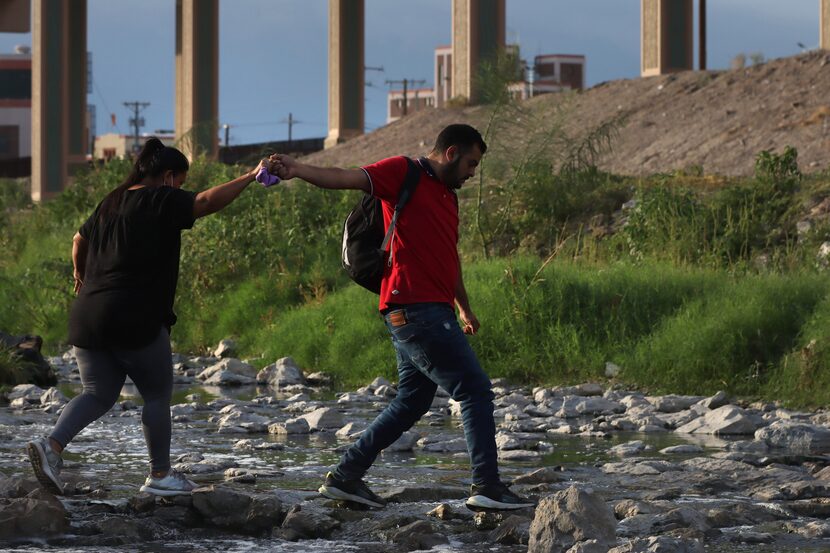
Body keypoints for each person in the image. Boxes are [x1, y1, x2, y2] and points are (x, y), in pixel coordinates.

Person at [271, 124, 534, 511]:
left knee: (413, 399)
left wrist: (464, 306)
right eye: (471, 163)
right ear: (450, 153)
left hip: (427, 310)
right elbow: (345, 178)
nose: (473, 172)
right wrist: (298, 168)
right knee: (475, 391)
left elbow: (449, 258)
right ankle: (488, 487)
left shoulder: (448, 197)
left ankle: (346, 476)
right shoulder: (403, 171)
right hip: (415, 308)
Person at [27, 138, 272, 497]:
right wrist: (250, 176)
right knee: (156, 395)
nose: (182, 190)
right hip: (134, 313)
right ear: (169, 177)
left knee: (97, 393)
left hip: (87, 313)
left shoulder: (112, 201)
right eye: (181, 182)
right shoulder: (161, 198)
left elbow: (78, 239)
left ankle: (52, 447)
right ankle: (160, 474)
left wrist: (80, 275)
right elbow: (205, 202)